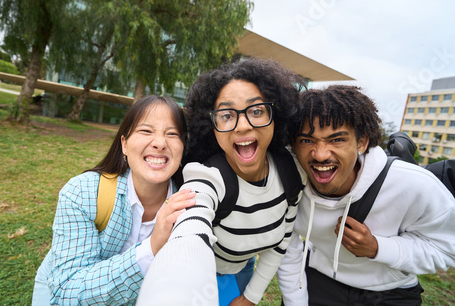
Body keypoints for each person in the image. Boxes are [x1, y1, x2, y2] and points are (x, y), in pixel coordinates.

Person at [136, 58, 307, 305]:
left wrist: (251, 297)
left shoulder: (292, 172)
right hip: (203, 278)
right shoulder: (207, 177)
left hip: (242, 271)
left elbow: (281, 243)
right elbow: (190, 230)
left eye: (256, 111)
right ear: (212, 126)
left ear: (275, 114)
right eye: (227, 115)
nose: (243, 125)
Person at [278, 85, 455, 305]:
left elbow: (446, 250)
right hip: (320, 280)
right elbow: (288, 248)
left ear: (361, 142)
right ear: (293, 145)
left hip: (391, 291)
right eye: (307, 140)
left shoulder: (415, 184)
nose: (321, 155)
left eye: (337, 140)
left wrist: (377, 248)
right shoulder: (288, 181)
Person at [32, 95, 196, 305]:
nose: (160, 143)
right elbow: (67, 292)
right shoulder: (82, 192)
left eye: (172, 134)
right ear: (124, 144)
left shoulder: (189, 205)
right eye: (146, 131)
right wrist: (152, 248)